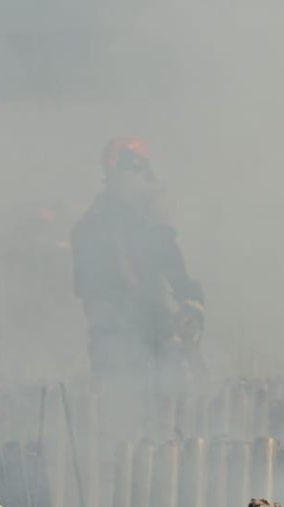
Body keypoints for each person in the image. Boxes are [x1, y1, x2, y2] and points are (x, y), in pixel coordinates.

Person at [71, 137, 206, 402]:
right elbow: (165, 248)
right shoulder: (143, 203)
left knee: (119, 390)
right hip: (139, 318)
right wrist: (186, 294)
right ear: (137, 167)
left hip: (111, 324)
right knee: (163, 386)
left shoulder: (95, 216)